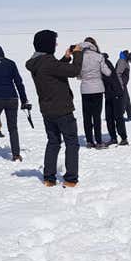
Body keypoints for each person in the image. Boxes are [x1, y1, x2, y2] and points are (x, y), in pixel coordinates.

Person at [26, 30, 84, 187]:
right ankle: (71, 179)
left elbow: (53, 70)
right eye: (54, 42)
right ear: (47, 44)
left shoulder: (38, 63)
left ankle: (49, 178)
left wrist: (66, 58)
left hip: (47, 110)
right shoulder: (48, 62)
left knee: (53, 142)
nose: (56, 44)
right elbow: (74, 71)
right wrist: (78, 54)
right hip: (62, 110)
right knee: (71, 142)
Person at [78, 37, 111, 149]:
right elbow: (107, 72)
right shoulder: (99, 57)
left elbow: (78, 75)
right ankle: (98, 141)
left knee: (86, 116)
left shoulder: (80, 57)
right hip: (97, 89)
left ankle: (89, 141)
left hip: (85, 89)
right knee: (96, 116)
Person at [102, 52, 128, 146]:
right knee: (109, 117)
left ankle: (124, 138)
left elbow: (111, 77)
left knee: (118, 117)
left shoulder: (105, 63)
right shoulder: (100, 63)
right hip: (108, 93)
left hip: (116, 92)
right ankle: (113, 138)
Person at [116, 50, 131, 121]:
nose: (130, 62)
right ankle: (120, 115)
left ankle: (130, 114)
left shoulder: (125, 60)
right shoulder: (122, 62)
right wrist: (121, 85)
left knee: (127, 99)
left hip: (123, 84)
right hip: (120, 84)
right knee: (123, 100)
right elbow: (118, 73)